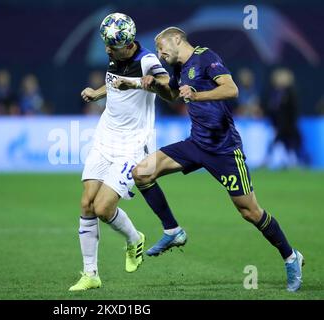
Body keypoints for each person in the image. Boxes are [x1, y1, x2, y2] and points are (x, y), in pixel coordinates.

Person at [133, 27, 304, 292]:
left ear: (177, 39)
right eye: (156, 50)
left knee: (250, 212)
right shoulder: (179, 67)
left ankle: (291, 256)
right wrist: (155, 86)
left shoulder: (205, 57)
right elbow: (173, 95)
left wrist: (198, 95)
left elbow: (231, 89)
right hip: (196, 144)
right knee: (142, 172)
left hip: (224, 150)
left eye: (161, 46)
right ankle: (172, 231)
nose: (159, 53)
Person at [69, 13, 169, 291]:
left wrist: (144, 81)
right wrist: (97, 93)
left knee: (103, 208)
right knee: (87, 202)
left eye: (111, 46)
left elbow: (165, 82)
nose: (106, 50)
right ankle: (91, 274)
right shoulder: (116, 55)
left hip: (133, 145)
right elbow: (116, 84)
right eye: (106, 44)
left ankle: (134, 238)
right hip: (104, 138)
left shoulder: (147, 61)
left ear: (127, 45)